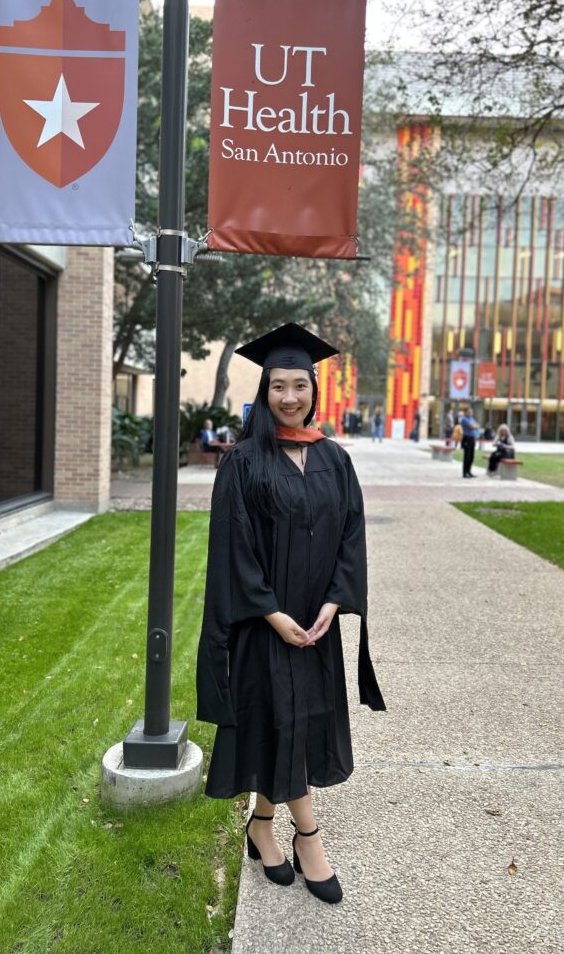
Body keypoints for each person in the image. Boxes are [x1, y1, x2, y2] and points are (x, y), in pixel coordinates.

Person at [196, 323, 385, 906]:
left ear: (313, 389)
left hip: (317, 626)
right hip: (267, 626)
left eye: (299, 385)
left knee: (294, 725)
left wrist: (333, 603)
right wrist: (273, 614)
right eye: (278, 386)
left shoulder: (334, 458)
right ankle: (309, 837)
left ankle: (260, 825)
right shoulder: (243, 462)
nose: (289, 397)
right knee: (286, 723)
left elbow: (351, 535)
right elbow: (233, 549)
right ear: (264, 391)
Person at [460, 406, 480, 478]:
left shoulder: (472, 419)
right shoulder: (464, 419)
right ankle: (465, 472)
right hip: (467, 438)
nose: (470, 413)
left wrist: (475, 426)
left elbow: (477, 425)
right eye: (469, 412)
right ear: (465, 412)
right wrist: (475, 426)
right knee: (467, 456)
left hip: (472, 438)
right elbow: (472, 426)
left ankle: (469, 471)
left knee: (471, 456)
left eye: (471, 412)